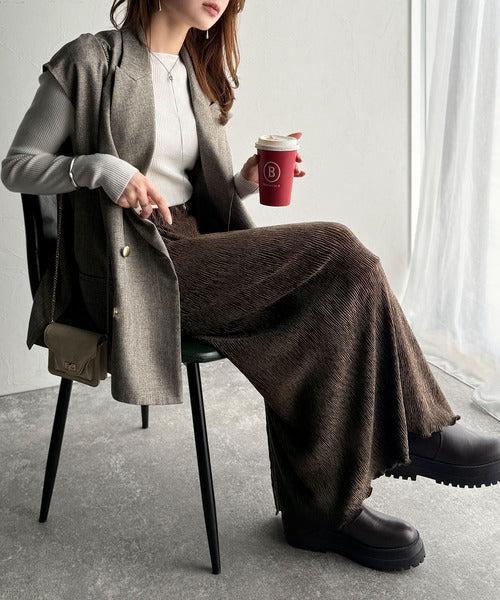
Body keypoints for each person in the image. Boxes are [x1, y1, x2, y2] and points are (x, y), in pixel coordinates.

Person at [2, 0, 499, 573]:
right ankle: (416, 427)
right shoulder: (89, 61)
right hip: (131, 265)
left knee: (327, 293)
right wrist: (96, 168)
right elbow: (16, 165)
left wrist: (241, 183)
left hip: (191, 246)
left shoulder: (192, 74)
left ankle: (318, 513)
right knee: (337, 248)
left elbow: (188, 194)